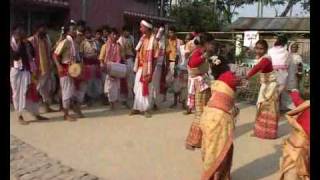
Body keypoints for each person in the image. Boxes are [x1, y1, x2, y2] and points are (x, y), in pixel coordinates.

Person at [199, 55, 239, 180]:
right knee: (220, 149)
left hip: (208, 116)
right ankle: (218, 176)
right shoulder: (229, 77)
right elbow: (240, 83)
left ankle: (210, 174)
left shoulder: (216, 80)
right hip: (220, 118)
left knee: (210, 148)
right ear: (226, 65)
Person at [10, 25, 48, 124]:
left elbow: (33, 55)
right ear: (14, 33)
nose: (21, 33)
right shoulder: (12, 44)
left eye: (22, 31)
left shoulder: (26, 43)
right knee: (17, 94)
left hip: (27, 70)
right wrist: (19, 44)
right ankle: (20, 116)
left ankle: (35, 113)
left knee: (31, 92)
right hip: (15, 71)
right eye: (19, 31)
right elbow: (15, 57)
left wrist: (26, 45)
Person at [246, 40, 280, 139]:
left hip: (271, 87)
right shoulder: (261, 58)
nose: (258, 51)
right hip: (265, 85)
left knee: (268, 109)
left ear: (266, 49)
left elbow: (258, 67)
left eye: (261, 49)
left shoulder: (266, 59)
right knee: (261, 107)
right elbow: (258, 67)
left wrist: (247, 76)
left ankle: (269, 133)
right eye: (257, 48)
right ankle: (260, 131)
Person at [185, 33, 212, 150]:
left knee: (204, 111)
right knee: (200, 112)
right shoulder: (198, 53)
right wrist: (204, 57)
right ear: (205, 44)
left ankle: (200, 139)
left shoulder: (201, 53)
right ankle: (192, 141)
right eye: (211, 43)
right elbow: (192, 63)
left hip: (203, 83)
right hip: (199, 84)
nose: (212, 46)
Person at [53, 22, 84, 121]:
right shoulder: (65, 41)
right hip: (65, 68)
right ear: (67, 32)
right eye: (72, 29)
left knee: (71, 90)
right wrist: (59, 66)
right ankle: (66, 114)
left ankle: (70, 109)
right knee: (66, 91)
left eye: (75, 29)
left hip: (72, 68)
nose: (75, 31)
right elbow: (55, 55)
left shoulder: (74, 42)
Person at [279, 89, 309, 180]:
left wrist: (294, 91)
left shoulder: (305, 105)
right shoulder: (305, 105)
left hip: (294, 144)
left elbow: (297, 99)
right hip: (300, 147)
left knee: (290, 168)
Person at [130, 20, 158, 118]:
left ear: (147, 28)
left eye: (141, 27)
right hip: (140, 67)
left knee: (146, 88)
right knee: (137, 87)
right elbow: (137, 53)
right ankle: (137, 107)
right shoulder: (142, 39)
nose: (140, 28)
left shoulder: (154, 41)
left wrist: (151, 72)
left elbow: (155, 58)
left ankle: (146, 109)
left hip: (148, 69)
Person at [28, 23, 57, 113]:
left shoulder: (46, 39)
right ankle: (33, 109)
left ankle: (46, 107)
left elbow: (50, 52)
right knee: (37, 88)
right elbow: (28, 55)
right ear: (37, 29)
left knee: (47, 89)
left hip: (47, 67)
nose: (44, 30)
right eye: (42, 29)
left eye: (45, 29)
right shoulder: (31, 40)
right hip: (37, 69)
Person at [98, 28, 122, 110]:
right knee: (109, 88)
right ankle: (110, 103)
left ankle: (113, 104)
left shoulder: (118, 46)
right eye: (113, 34)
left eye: (116, 35)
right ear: (110, 35)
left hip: (116, 67)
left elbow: (120, 57)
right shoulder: (105, 46)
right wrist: (102, 64)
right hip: (107, 68)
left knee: (115, 86)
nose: (115, 36)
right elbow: (101, 57)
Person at [79, 26, 102, 106]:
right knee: (87, 83)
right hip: (87, 65)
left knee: (96, 82)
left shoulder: (96, 42)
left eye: (89, 33)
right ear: (85, 34)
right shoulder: (83, 43)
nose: (88, 34)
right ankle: (87, 99)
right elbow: (81, 54)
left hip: (95, 64)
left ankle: (94, 99)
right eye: (86, 33)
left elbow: (99, 52)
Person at [268, 36, 290, 112]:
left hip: (271, 72)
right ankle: (277, 108)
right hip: (281, 73)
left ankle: (270, 108)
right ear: (284, 43)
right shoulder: (286, 52)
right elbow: (287, 63)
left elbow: (268, 60)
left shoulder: (270, 50)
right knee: (279, 91)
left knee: (271, 90)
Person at [165, 26, 183, 108]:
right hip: (171, 63)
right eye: (169, 32)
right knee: (172, 83)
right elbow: (167, 54)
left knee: (179, 83)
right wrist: (167, 66)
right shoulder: (168, 42)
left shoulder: (180, 42)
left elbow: (179, 54)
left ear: (175, 33)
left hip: (178, 64)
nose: (170, 34)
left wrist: (176, 66)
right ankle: (176, 101)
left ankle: (181, 101)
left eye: (171, 32)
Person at [150, 25, 166, 110]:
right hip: (151, 65)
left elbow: (163, 54)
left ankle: (155, 103)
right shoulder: (151, 40)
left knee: (156, 85)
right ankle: (151, 102)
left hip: (158, 65)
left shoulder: (162, 41)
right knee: (152, 85)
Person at [118, 26, 135, 101]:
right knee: (125, 79)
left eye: (128, 31)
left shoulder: (131, 38)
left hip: (131, 59)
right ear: (123, 32)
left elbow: (133, 48)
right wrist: (124, 61)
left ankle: (132, 94)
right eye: (126, 31)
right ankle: (126, 95)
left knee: (132, 78)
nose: (127, 33)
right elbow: (121, 52)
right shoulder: (120, 40)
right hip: (125, 60)